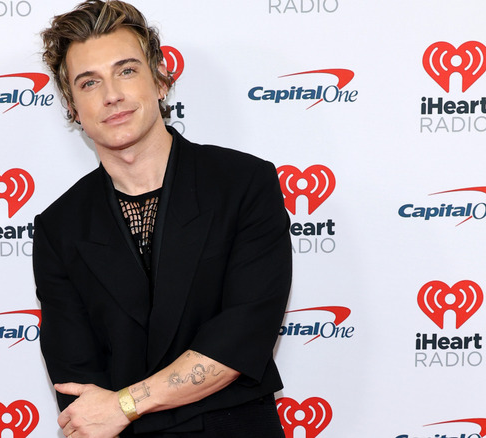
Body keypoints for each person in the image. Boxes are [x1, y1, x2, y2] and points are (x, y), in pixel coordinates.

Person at [33, 1, 292, 437]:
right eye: (89, 82)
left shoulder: (244, 184)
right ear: (73, 107)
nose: (111, 94)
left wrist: (126, 404)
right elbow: (77, 386)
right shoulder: (60, 227)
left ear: (160, 79)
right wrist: (114, 410)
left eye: (127, 70)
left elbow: (242, 338)